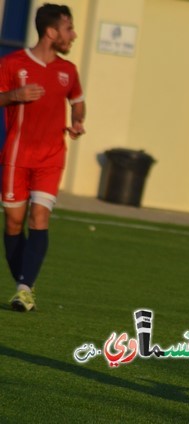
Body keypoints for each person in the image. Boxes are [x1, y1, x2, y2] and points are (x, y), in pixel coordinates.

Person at [0, 3, 85, 312]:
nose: (73, 35)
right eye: (68, 29)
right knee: (13, 222)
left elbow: (77, 101)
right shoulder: (12, 64)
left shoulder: (68, 71)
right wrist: (13, 97)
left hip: (51, 156)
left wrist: (77, 121)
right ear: (51, 32)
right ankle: (25, 283)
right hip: (16, 156)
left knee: (39, 217)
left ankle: (23, 289)